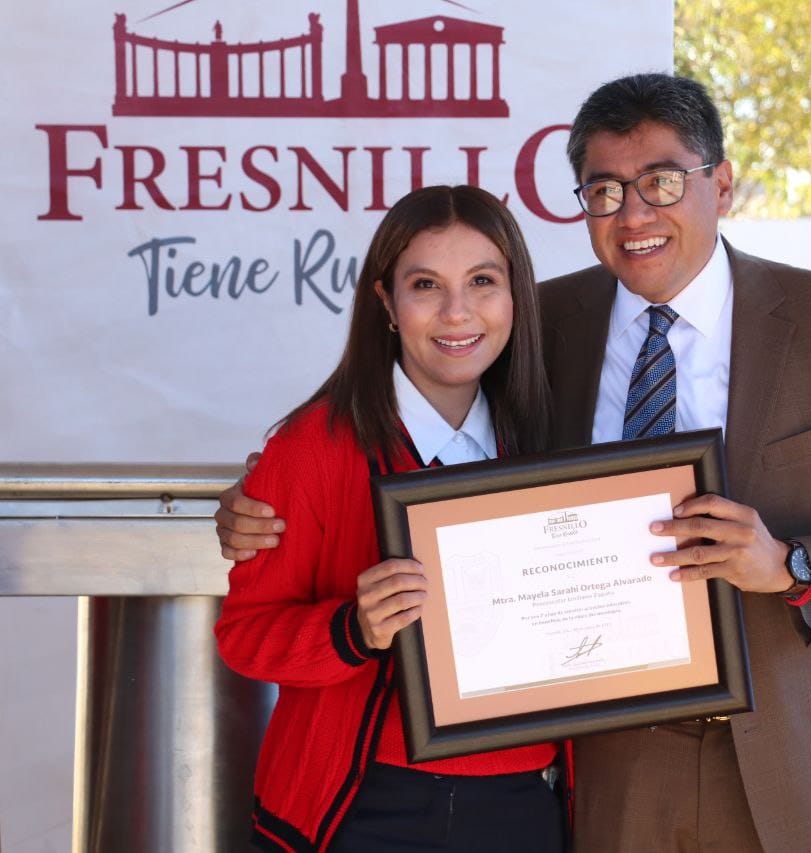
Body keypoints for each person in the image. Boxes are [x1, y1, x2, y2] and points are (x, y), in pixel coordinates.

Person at [217, 72, 811, 851]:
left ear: (724, 184)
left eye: (662, 181)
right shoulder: (542, 322)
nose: (634, 213)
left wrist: (789, 564)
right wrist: (260, 494)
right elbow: (411, 428)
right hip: (612, 769)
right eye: (604, 191)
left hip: (798, 762)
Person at [213, 185, 565, 853]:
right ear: (386, 303)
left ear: (518, 294)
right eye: (426, 284)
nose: (457, 311)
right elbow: (243, 635)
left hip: (524, 799)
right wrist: (354, 628)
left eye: (483, 281)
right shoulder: (311, 447)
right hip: (363, 807)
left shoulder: (551, 439)